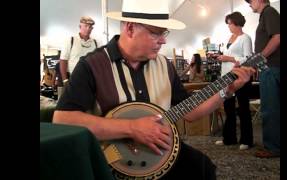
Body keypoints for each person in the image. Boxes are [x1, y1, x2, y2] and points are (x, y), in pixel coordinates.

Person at [53, 0, 255, 179]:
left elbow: (190, 111)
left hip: (159, 155)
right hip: (112, 162)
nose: (164, 40)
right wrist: (131, 128)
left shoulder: (164, 66)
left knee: (203, 169)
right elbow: (62, 120)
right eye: (156, 33)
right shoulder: (92, 65)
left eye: (164, 33)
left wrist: (226, 90)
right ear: (130, 28)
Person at [211, 12, 254, 150]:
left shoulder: (245, 38)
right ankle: (229, 138)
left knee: (243, 108)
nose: (228, 26)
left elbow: (248, 58)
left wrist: (229, 59)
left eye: (229, 23)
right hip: (226, 76)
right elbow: (231, 56)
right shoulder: (230, 37)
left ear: (236, 23)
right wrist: (221, 56)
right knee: (228, 108)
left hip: (240, 76)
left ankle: (247, 140)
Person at [245, 0, 280, 158]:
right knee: (272, 108)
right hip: (269, 68)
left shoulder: (269, 12)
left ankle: (273, 148)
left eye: (250, 1)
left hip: (271, 68)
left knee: (270, 108)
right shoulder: (266, 15)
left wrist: (258, 58)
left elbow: (277, 37)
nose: (249, 4)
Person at [59, 16, 98, 86]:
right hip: (73, 78)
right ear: (80, 26)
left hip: (89, 79)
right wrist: (65, 80)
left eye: (90, 27)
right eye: (85, 26)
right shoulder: (71, 40)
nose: (88, 29)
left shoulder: (95, 43)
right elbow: (63, 60)